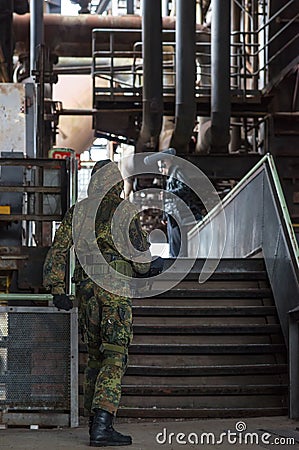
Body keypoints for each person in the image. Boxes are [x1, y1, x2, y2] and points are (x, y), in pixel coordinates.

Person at [43, 159, 151, 447]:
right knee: (115, 354)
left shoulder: (79, 211)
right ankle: (102, 425)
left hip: (87, 289)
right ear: (115, 181)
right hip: (114, 287)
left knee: (94, 356)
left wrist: (56, 289)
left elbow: (59, 249)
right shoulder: (124, 210)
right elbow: (140, 259)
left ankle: (94, 422)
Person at [158, 151, 204, 257]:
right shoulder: (170, 177)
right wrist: (164, 216)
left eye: (161, 167)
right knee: (173, 242)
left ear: (166, 162)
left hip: (179, 215)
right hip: (172, 216)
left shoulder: (177, 172)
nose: (161, 170)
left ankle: (179, 262)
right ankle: (174, 261)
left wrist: (167, 194)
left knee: (178, 243)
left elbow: (185, 188)